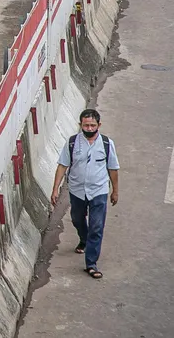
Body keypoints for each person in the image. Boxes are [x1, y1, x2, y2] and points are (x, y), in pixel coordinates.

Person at [50, 109, 120, 280]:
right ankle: (83, 238)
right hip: (77, 191)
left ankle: (91, 263)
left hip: (99, 191)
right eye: (86, 125)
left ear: (99, 125)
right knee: (77, 219)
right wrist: (55, 188)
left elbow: (113, 169)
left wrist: (115, 191)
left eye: (92, 125)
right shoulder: (72, 143)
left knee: (96, 227)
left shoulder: (107, 144)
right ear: (80, 125)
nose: (89, 128)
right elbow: (62, 166)